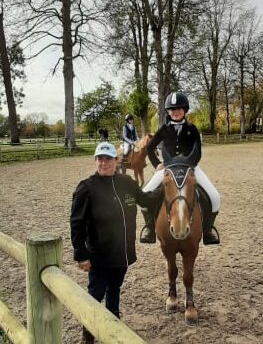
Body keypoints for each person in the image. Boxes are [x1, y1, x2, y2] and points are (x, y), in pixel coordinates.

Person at [70, 141, 161, 344]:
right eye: (100, 159)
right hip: (99, 256)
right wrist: (81, 254)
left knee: (115, 288)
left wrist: (164, 189)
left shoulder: (126, 183)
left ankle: (114, 321)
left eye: (108, 159)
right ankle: (88, 334)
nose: (104, 163)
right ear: (95, 160)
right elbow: (76, 223)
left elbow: (145, 200)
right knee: (95, 294)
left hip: (122, 252)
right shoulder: (86, 188)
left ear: (116, 160)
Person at [140, 91, 221, 246]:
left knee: (215, 196)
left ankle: (208, 230)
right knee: (144, 194)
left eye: (179, 108)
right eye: (172, 109)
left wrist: (189, 164)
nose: (176, 112)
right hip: (168, 168)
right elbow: (150, 148)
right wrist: (157, 164)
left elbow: (197, 151)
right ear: (168, 111)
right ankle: (149, 228)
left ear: (185, 110)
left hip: (191, 167)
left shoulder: (193, 129)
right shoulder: (164, 129)